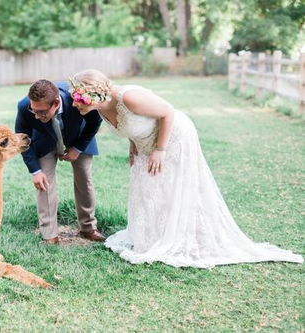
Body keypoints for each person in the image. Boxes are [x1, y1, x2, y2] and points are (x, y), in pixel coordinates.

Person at [68, 69, 303, 268]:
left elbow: (167, 112)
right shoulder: (99, 109)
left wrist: (160, 150)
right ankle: (154, 237)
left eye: (76, 98)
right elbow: (131, 125)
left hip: (173, 137)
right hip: (144, 142)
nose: (73, 102)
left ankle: (189, 236)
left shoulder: (129, 97)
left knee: (168, 184)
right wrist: (133, 145)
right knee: (148, 188)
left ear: (91, 94)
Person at [15, 79, 105, 244]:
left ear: (56, 103)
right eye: (33, 110)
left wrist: (78, 148)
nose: (36, 116)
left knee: (84, 178)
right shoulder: (24, 106)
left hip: (78, 136)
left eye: (41, 112)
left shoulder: (79, 99)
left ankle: (88, 227)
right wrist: (35, 171)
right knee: (43, 183)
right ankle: (49, 234)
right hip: (44, 140)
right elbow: (21, 139)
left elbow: (95, 121)